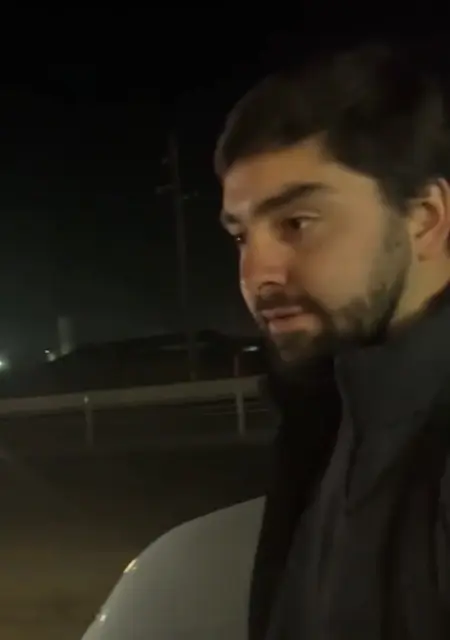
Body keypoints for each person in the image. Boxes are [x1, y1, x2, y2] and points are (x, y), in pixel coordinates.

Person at [215, 42, 450, 639]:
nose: (257, 275)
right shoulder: (324, 414)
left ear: (425, 218)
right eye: (241, 236)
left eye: (297, 223)